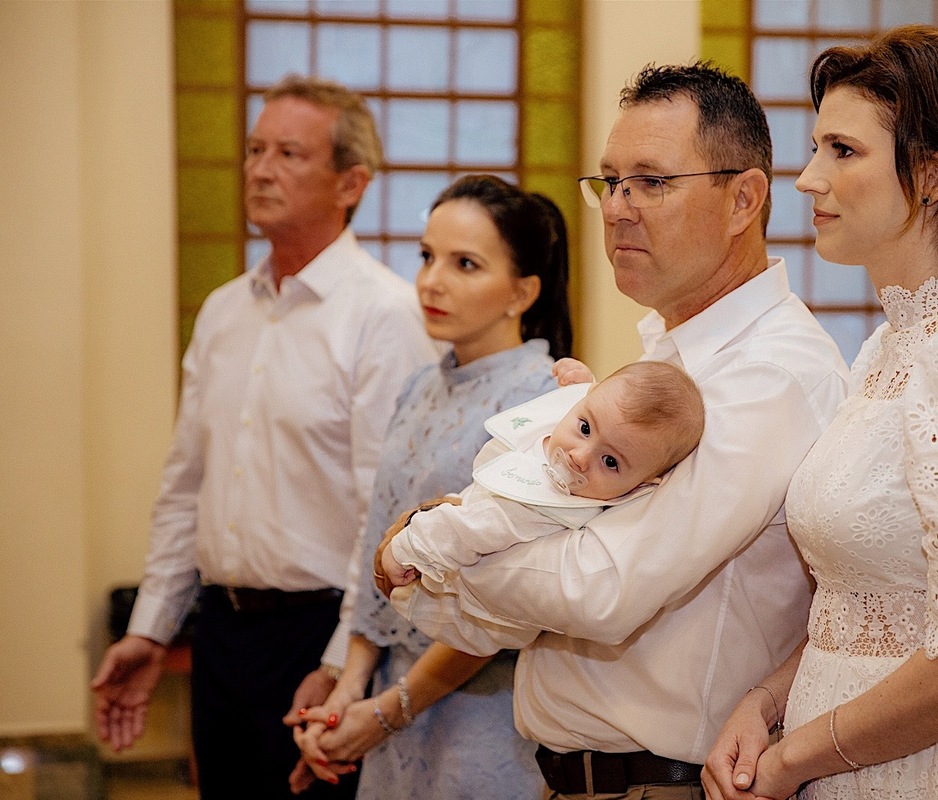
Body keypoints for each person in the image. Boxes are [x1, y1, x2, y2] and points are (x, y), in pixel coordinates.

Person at [378, 62, 850, 799]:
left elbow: (598, 588)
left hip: (668, 783)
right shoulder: (666, 352)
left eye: (651, 182)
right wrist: (431, 567)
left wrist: (431, 544)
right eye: (610, 182)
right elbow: (531, 594)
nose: (619, 208)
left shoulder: (770, 372)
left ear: (743, 199)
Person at [702, 26, 938, 799]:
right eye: (816, 149)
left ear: (934, 173)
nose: (809, 179)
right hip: (837, 750)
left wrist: (794, 759)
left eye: (843, 151)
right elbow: (866, 608)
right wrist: (767, 701)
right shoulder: (888, 349)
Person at [89, 75, 439, 799]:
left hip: (320, 632)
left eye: (288, 153)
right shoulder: (224, 312)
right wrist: (152, 629)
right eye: (254, 150)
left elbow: (388, 511)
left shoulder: (384, 315)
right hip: (220, 631)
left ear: (350, 183)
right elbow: (186, 487)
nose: (260, 170)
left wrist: (342, 661)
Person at [290, 173, 573, 800]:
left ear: (522, 291)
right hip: (392, 692)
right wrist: (347, 693)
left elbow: (504, 600)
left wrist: (389, 709)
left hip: (480, 704)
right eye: (426, 257)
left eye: (464, 264)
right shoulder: (420, 386)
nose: (431, 281)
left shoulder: (542, 399)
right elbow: (379, 532)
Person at [379, 360, 706, 590]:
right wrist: (579, 385)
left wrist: (410, 547)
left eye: (610, 462)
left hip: (447, 558)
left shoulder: (544, 508)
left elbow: (475, 528)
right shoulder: (591, 420)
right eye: (585, 427)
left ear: (641, 486)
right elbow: (604, 412)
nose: (579, 457)